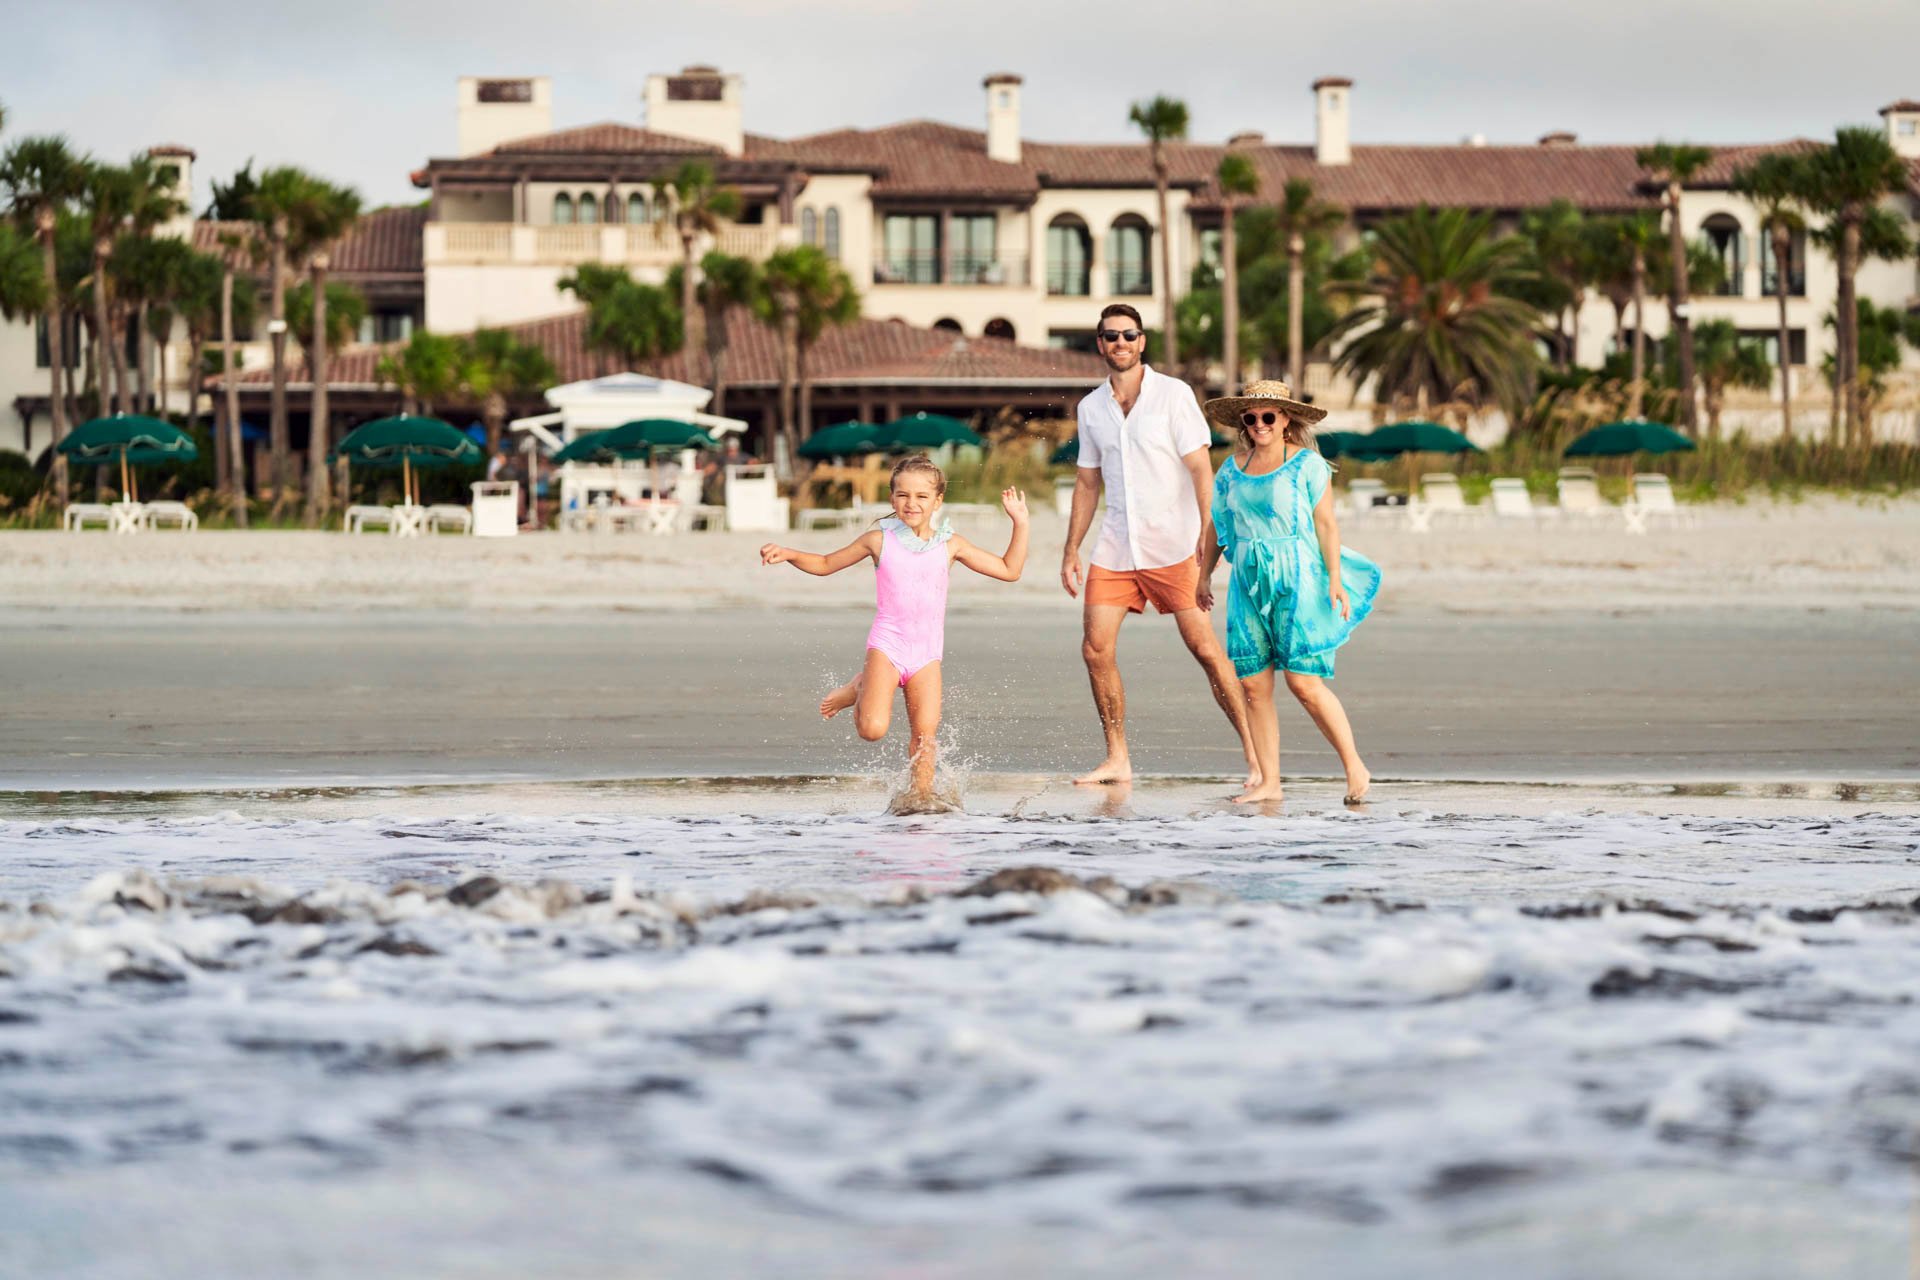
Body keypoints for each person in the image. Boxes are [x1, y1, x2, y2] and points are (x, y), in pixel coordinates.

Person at [1061, 303, 1258, 789]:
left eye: (1129, 335)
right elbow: (1087, 485)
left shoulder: (1174, 395)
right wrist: (1071, 549)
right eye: (1110, 336)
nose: (1120, 344)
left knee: (1206, 649)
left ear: (1142, 341)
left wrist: (1207, 532)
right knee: (1094, 649)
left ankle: (1258, 759)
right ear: (1100, 344)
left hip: (1175, 545)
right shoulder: (1090, 408)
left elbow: (1199, 468)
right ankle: (1117, 757)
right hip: (1115, 548)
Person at [760, 455, 1029, 801]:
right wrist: (790, 553)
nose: (911, 503)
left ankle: (921, 801)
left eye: (921, 496)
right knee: (872, 730)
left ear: (937, 501)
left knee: (925, 738)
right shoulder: (879, 540)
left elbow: (1010, 570)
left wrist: (1020, 522)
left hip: (927, 654)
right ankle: (858, 690)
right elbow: (826, 564)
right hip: (888, 647)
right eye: (902, 495)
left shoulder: (952, 544)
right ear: (891, 498)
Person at [1197, 381, 1381, 805]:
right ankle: (1270, 782)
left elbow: (1327, 525)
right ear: (1243, 423)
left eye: (1268, 416)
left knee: (1303, 681)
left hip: (1296, 577)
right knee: (1254, 686)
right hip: (1246, 581)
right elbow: (1216, 528)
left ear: (1285, 420)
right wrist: (1203, 576)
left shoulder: (1307, 465)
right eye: (1251, 417)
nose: (1259, 424)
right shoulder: (1230, 468)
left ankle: (1354, 764)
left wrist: (1334, 577)